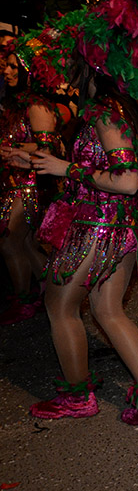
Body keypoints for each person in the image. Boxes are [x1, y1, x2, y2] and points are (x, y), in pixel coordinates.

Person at [18, 0, 138, 424]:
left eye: (71, 65)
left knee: (59, 304)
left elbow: (127, 181)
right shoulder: (119, 111)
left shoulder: (102, 114)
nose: (66, 75)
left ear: (90, 67)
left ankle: (77, 396)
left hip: (98, 227)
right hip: (118, 228)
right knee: (108, 311)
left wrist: (68, 168)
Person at [0, 49, 58, 324]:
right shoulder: (14, 104)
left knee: (10, 239)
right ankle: (51, 293)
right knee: (25, 243)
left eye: (13, 67)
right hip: (12, 182)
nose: (7, 71)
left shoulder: (36, 104)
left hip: (32, 184)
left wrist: (18, 149)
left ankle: (25, 300)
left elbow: (51, 147)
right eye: (6, 67)